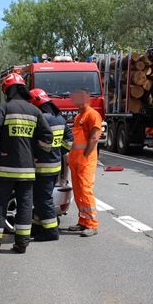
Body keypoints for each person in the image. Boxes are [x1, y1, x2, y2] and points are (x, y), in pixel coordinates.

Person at [0, 73, 53, 255]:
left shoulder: (4, 108)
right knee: (25, 206)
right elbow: (47, 137)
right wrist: (37, 155)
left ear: (7, 90)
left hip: (5, 169)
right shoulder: (35, 111)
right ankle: (21, 244)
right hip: (27, 170)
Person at [29, 88, 73, 242]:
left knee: (43, 200)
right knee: (39, 198)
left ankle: (51, 232)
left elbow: (33, 143)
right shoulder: (59, 118)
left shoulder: (41, 119)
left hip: (42, 166)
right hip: (55, 165)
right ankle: (37, 227)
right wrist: (58, 152)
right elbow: (69, 140)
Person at [67, 88, 103, 237]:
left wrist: (86, 155)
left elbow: (94, 138)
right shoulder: (78, 116)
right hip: (76, 160)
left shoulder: (93, 115)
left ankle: (92, 224)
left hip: (85, 160)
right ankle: (83, 221)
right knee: (78, 191)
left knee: (85, 190)